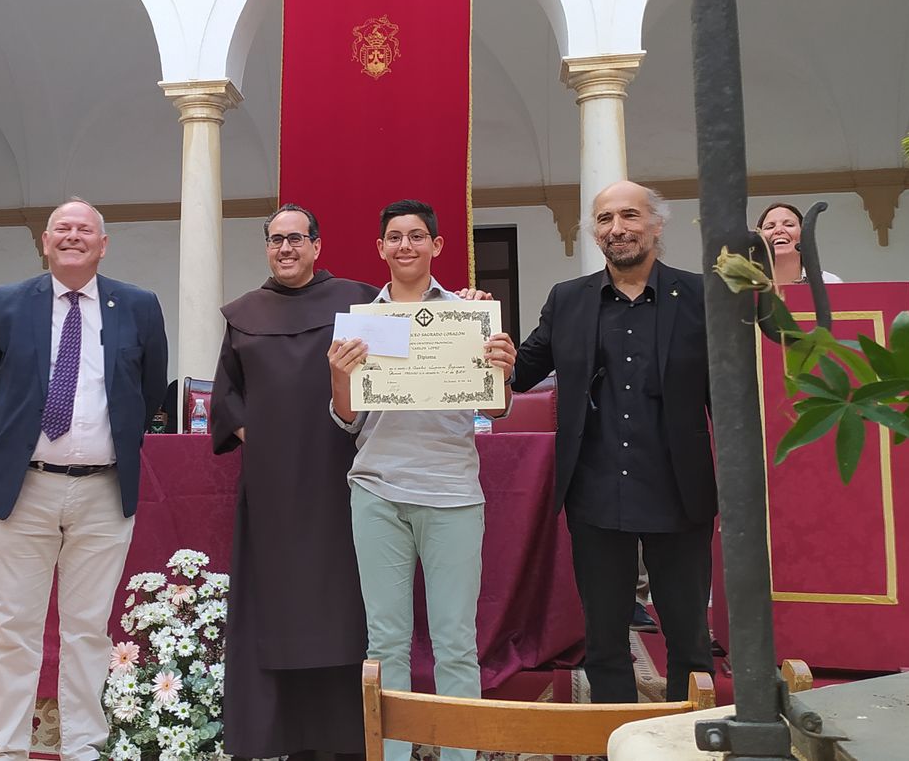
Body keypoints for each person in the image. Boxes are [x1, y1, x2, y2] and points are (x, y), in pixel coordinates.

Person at [0, 197, 167, 761]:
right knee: (14, 629)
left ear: (103, 245)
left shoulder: (139, 306)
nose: (73, 236)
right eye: (62, 229)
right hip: (24, 489)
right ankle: (6, 749)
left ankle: (83, 747)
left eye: (85, 230)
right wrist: (14, 448)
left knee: (88, 630)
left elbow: (148, 391)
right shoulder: (5, 305)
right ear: (45, 242)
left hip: (103, 491)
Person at [509, 180, 716, 704]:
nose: (617, 228)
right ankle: (614, 735)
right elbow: (520, 370)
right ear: (593, 231)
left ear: (656, 224)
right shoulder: (568, 300)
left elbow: (732, 397)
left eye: (629, 216)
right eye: (604, 219)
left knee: (688, 636)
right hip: (595, 490)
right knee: (602, 638)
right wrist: (475, 325)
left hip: (680, 490)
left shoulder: (701, 296)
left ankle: (684, 734)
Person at [327, 199, 515, 761]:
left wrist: (502, 371)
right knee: (385, 642)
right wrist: (340, 376)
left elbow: (499, 409)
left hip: (453, 493)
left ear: (437, 246)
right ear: (380, 249)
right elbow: (346, 418)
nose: (404, 245)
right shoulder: (362, 323)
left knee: (456, 642)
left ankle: (460, 753)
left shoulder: (469, 315)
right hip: (377, 492)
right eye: (394, 237)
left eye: (416, 236)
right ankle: (397, 752)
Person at [210, 203, 377, 760]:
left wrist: (468, 303)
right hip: (273, 487)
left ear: (316, 246)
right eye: (275, 240)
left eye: (296, 239)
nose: (285, 249)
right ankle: (277, 737)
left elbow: (411, 342)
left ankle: (346, 739)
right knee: (275, 605)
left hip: (342, 476)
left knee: (341, 604)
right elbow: (225, 394)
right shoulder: (243, 313)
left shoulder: (358, 299)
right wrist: (251, 432)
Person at [756, 202, 843, 285]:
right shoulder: (746, 285)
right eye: (770, 227)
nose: (779, 230)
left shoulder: (828, 282)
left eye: (789, 225)